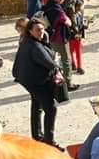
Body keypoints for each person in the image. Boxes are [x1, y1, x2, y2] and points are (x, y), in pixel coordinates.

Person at [12, 18, 63, 147]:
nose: (41, 32)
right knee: (51, 108)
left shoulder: (27, 41)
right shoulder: (35, 46)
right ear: (30, 31)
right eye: (38, 30)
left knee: (37, 104)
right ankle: (49, 141)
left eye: (42, 29)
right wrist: (56, 61)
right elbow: (50, 64)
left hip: (27, 79)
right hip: (35, 81)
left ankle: (37, 135)